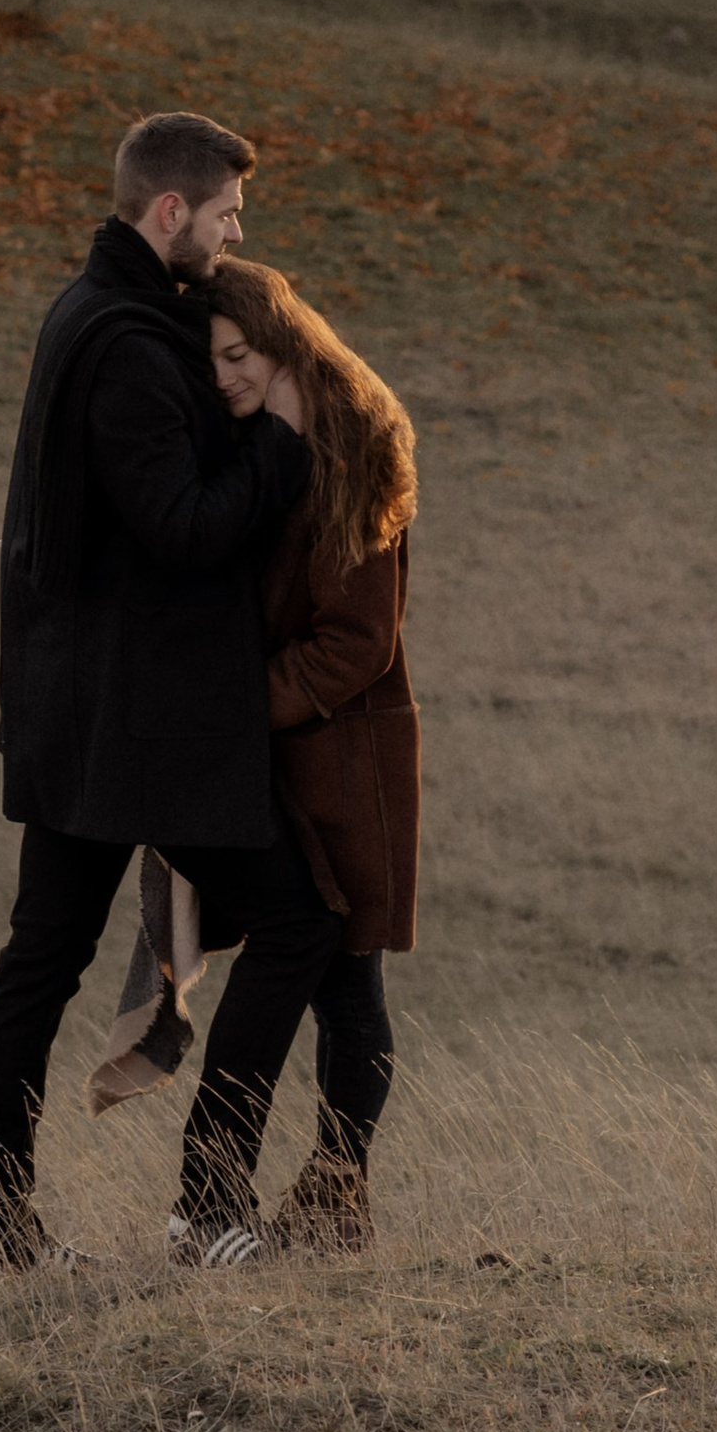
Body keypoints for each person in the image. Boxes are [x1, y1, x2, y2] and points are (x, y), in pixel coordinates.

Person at [0, 110, 340, 1276]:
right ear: (166, 209)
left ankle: (0, 1236)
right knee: (293, 922)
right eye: (225, 212)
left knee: (42, 956)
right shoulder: (124, 343)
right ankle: (204, 1208)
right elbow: (177, 531)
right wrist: (280, 443)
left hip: (97, 717)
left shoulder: (108, 317)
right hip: (137, 725)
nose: (235, 233)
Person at [205, 255, 419, 1254]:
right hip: (285, 757)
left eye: (239, 354)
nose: (226, 377)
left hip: (343, 758)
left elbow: (356, 640)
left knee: (349, 976)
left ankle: (336, 1193)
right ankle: (329, 1204)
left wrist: (241, 706)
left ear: (282, 340)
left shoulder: (356, 442)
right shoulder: (266, 436)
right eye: (214, 360)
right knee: (321, 969)